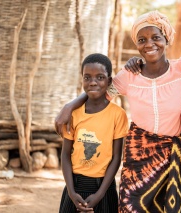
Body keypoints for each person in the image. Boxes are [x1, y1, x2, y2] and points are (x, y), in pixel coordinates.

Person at [55, 11, 181, 213]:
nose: (149, 44)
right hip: (138, 155)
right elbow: (100, 94)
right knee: (131, 207)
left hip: (173, 155)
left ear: (166, 39)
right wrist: (70, 106)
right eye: (142, 40)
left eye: (156, 38)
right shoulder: (129, 75)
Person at [58, 53, 128, 213]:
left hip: (103, 187)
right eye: (87, 77)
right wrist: (71, 192)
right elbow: (65, 154)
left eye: (100, 77)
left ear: (109, 81)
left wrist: (100, 194)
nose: (93, 82)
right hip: (75, 186)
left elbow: (116, 157)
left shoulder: (118, 114)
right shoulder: (74, 114)